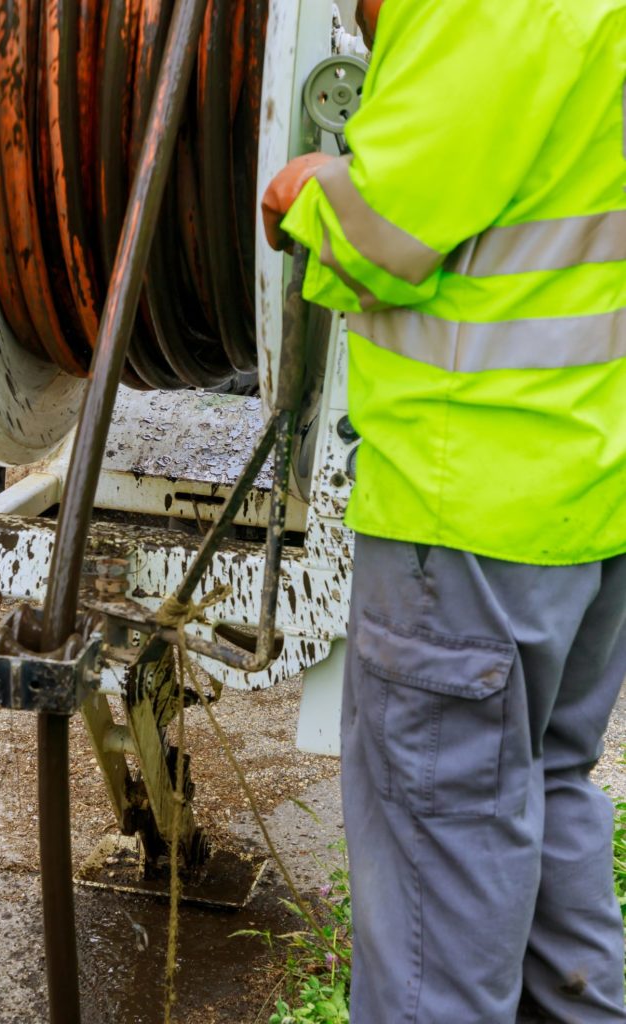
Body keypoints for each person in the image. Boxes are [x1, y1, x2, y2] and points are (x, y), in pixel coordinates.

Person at [262, 1, 626, 1021]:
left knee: (435, 909)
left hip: (461, 519)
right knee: (547, 805)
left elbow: (383, 233)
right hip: (587, 505)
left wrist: (304, 195)